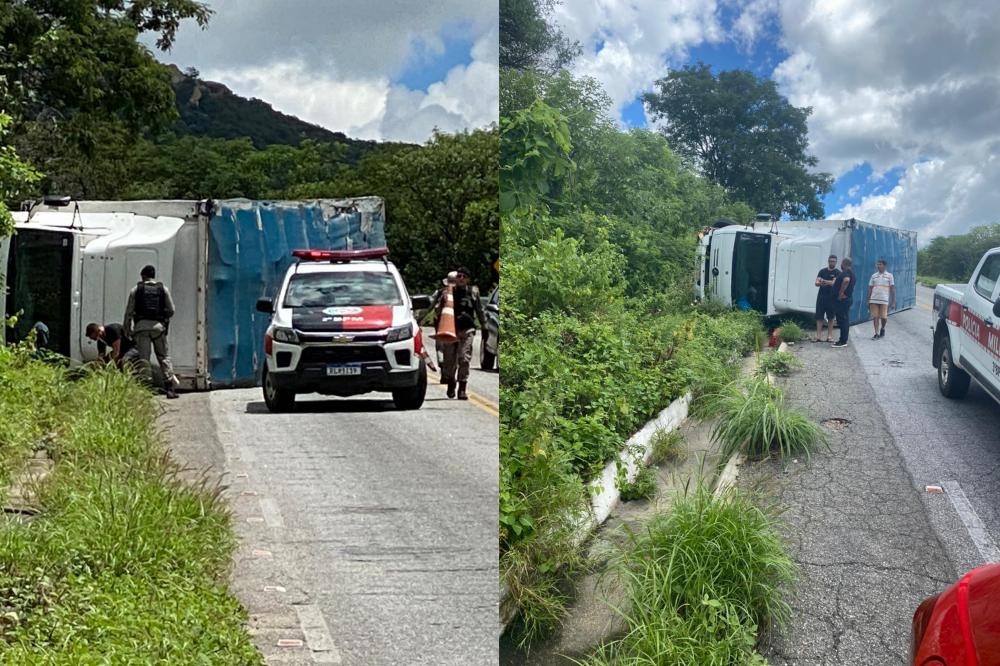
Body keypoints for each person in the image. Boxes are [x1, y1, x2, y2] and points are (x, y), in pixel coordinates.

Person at [124, 265, 179, 399]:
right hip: (158, 328)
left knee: (144, 359)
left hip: (141, 329)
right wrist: (162, 318)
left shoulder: (136, 290)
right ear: (153, 276)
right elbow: (171, 310)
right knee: (163, 357)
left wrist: (128, 330)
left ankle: (147, 389)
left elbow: (128, 313)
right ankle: (170, 387)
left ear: (142, 276)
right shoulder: (163, 289)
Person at [438, 266, 486, 400]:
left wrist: (484, 326)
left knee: (464, 359)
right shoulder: (448, 293)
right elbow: (440, 312)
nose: (461, 279)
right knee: (449, 360)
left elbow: (479, 311)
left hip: (467, 329)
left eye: (464, 276)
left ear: (468, 279)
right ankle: (451, 382)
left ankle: (462, 388)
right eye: (459, 276)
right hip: (450, 330)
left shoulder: (473, 292)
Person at [813, 255, 840, 342]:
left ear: (836, 262)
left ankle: (829, 336)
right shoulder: (822, 271)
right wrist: (824, 282)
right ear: (828, 261)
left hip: (831, 298)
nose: (832, 262)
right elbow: (816, 283)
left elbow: (833, 283)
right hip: (821, 297)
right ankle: (818, 336)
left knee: (831, 318)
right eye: (830, 261)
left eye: (834, 261)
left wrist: (823, 281)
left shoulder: (837, 272)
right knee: (819, 317)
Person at [866, 259, 895, 340]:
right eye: (878, 264)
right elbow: (870, 288)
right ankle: (876, 333)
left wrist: (893, 301)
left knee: (884, 317)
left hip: (884, 300)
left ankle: (882, 328)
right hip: (874, 299)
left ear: (884, 266)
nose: (878, 266)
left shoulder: (890, 276)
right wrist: (868, 300)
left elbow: (892, 288)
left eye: (880, 264)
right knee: (875, 317)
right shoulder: (874, 276)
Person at [831, 258, 856, 348]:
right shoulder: (851, 272)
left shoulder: (846, 272)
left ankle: (843, 341)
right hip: (846, 300)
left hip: (843, 301)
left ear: (844, 263)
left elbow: (846, 280)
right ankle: (843, 339)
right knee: (844, 320)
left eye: (841, 263)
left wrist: (841, 293)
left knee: (843, 320)